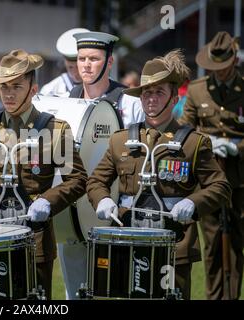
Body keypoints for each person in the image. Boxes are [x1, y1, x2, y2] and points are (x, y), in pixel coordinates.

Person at [87, 49, 232, 300]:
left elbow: (221, 186)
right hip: (129, 240)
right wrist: (102, 199)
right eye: (147, 93)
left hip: (174, 244)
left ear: (174, 98)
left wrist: (193, 202)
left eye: (159, 92)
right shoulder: (121, 140)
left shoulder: (193, 143)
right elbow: (96, 180)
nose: (151, 99)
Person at [0, 49, 87, 299]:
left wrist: (49, 200)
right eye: (4, 87)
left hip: (35, 236)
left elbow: (78, 179)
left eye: (16, 86)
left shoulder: (54, 129)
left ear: (33, 89)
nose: (9, 93)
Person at [58, 31, 145, 299]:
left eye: (94, 59)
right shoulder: (65, 101)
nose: (85, 64)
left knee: (113, 288)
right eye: (82, 58)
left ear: (109, 62)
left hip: (114, 209)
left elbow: (139, 161)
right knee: (74, 292)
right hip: (72, 210)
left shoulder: (130, 104)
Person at [178, 31, 244, 300]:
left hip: (240, 178)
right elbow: (185, 130)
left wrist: (237, 147)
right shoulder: (197, 89)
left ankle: (231, 296)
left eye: (225, 68)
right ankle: (213, 297)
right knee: (212, 244)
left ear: (234, 61)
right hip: (210, 179)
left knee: (237, 244)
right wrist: (208, 143)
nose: (221, 73)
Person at [40, 28, 89, 97]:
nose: (75, 73)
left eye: (78, 67)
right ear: (65, 63)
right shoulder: (50, 90)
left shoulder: (101, 87)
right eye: (70, 67)